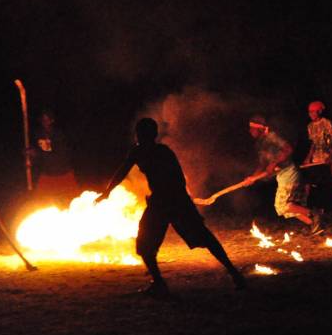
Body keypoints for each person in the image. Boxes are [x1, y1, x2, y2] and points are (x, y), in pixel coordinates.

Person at [96, 118, 246, 298]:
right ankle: (160, 283)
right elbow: (122, 170)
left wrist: (178, 198)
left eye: (140, 133)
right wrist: (107, 192)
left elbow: (177, 178)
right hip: (165, 201)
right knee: (147, 244)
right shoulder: (140, 151)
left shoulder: (159, 152)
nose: (138, 136)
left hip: (171, 201)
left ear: (146, 135)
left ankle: (234, 274)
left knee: (201, 237)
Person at [244, 115, 324, 235]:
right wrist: (252, 178)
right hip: (282, 175)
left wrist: (275, 162)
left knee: (284, 205)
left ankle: (314, 214)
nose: (250, 131)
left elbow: (288, 149)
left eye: (252, 128)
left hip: (289, 172)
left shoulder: (272, 137)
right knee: (285, 208)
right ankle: (314, 224)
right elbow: (262, 165)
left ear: (259, 129)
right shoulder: (260, 144)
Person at [30, 108, 79, 207]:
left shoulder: (59, 134)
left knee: (73, 201)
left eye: (47, 120)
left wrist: (36, 153)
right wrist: (30, 155)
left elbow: (56, 154)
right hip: (47, 173)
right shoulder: (38, 134)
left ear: (52, 120)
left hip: (63, 172)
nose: (45, 122)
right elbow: (40, 154)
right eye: (43, 120)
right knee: (40, 202)